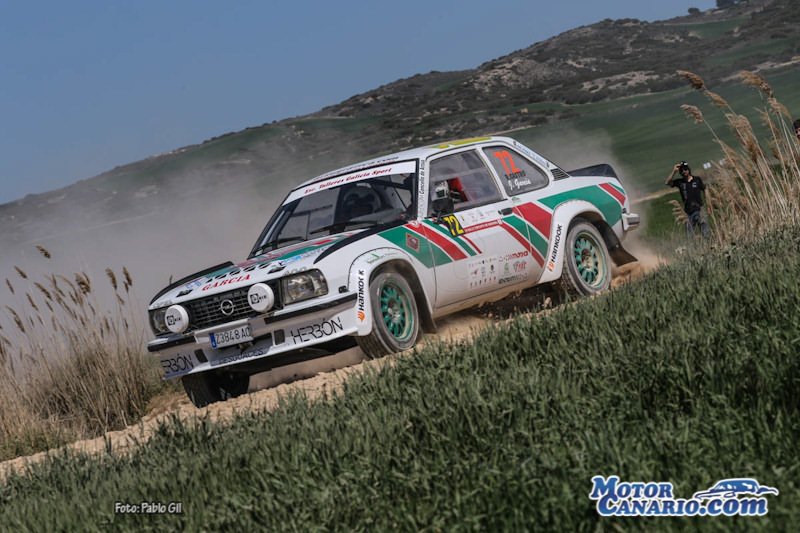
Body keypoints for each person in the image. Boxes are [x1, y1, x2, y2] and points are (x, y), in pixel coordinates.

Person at [666, 161, 710, 238]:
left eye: (685, 169)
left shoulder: (697, 179)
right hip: (688, 212)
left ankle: (708, 243)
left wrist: (708, 204)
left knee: (705, 233)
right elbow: (668, 182)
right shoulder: (680, 182)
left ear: (688, 169)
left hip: (700, 209)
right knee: (689, 236)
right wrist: (674, 171)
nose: (684, 171)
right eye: (681, 170)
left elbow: (705, 189)